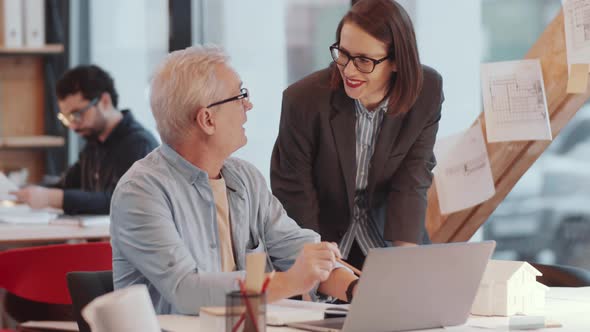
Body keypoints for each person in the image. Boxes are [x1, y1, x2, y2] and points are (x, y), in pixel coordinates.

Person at [110, 45, 358, 315]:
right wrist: (288, 282)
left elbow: (298, 250)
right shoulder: (141, 192)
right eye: (240, 95)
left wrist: (357, 290)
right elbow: (185, 291)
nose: (248, 105)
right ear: (207, 119)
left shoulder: (245, 178)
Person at [271, 0, 444, 269]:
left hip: (390, 243)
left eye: (364, 60)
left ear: (397, 61)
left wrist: (406, 268)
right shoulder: (303, 101)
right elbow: (294, 195)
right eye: (343, 53)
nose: (348, 70)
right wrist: (317, 272)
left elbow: (413, 178)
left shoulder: (426, 91)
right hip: (322, 249)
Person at [12, 65, 158, 215]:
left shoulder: (139, 144)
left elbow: (120, 201)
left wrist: (51, 198)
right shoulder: (94, 144)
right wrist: (20, 191)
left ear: (105, 101)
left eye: (77, 114)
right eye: (66, 118)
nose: (73, 126)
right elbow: (66, 184)